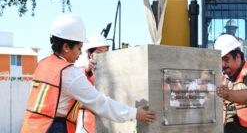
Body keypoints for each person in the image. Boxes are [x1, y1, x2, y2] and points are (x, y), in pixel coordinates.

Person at [21, 14, 156, 133]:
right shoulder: (68, 73)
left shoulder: (44, 64)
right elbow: (100, 102)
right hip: (53, 127)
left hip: (33, 126)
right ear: (66, 47)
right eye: (79, 48)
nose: (80, 53)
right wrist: (135, 113)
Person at [76, 34, 110, 133]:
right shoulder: (80, 72)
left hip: (106, 125)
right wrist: (88, 69)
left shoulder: (110, 73)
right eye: (99, 52)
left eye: (105, 52)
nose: (103, 55)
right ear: (91, 54)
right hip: (86, 127)